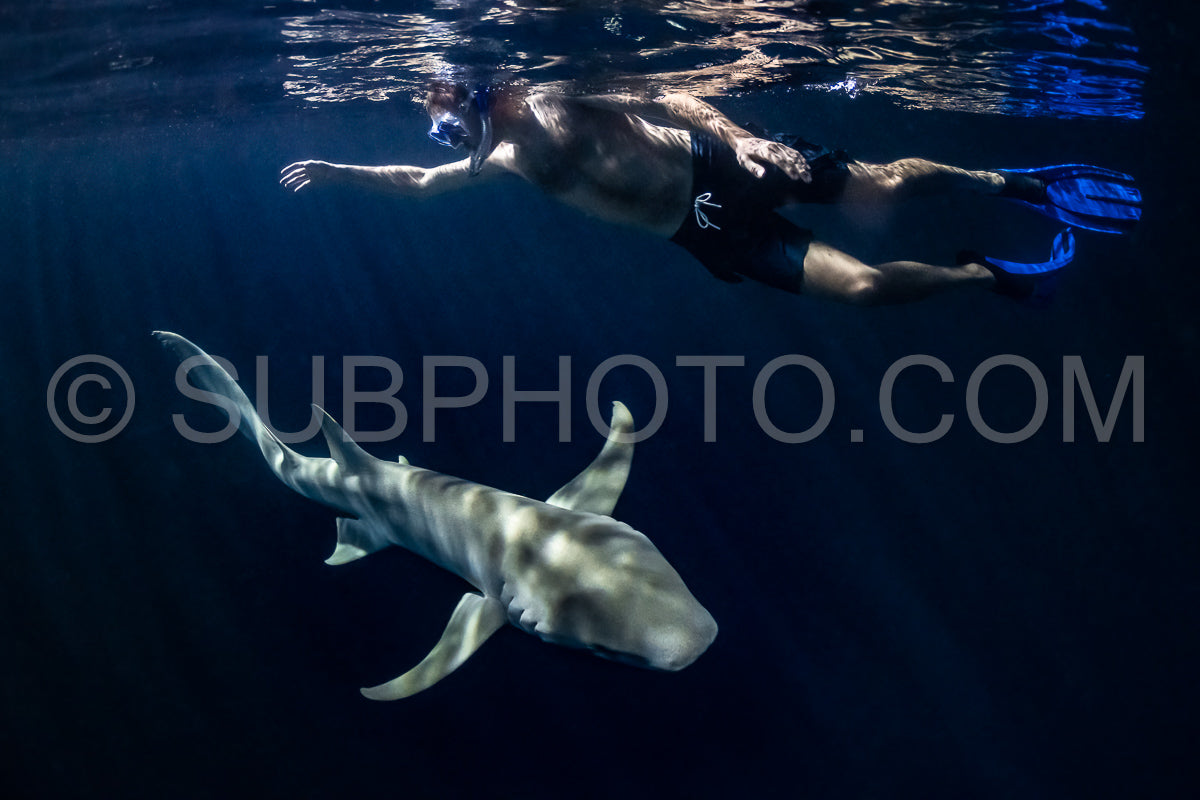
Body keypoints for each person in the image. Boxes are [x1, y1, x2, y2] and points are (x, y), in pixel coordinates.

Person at [281, 82, 1140, 305]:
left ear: (477, 97)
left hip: (725, 165)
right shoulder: (501, 159)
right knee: (869, 290)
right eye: (435, 133)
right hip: (700, 234)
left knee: (881, 184)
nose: (445, 144)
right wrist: (336, 173)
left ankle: (1014, 181)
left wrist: (743, 137)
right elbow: (421, 185)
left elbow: (667, 97)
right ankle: (993, 277)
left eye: (445, 122)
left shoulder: (556, 93)